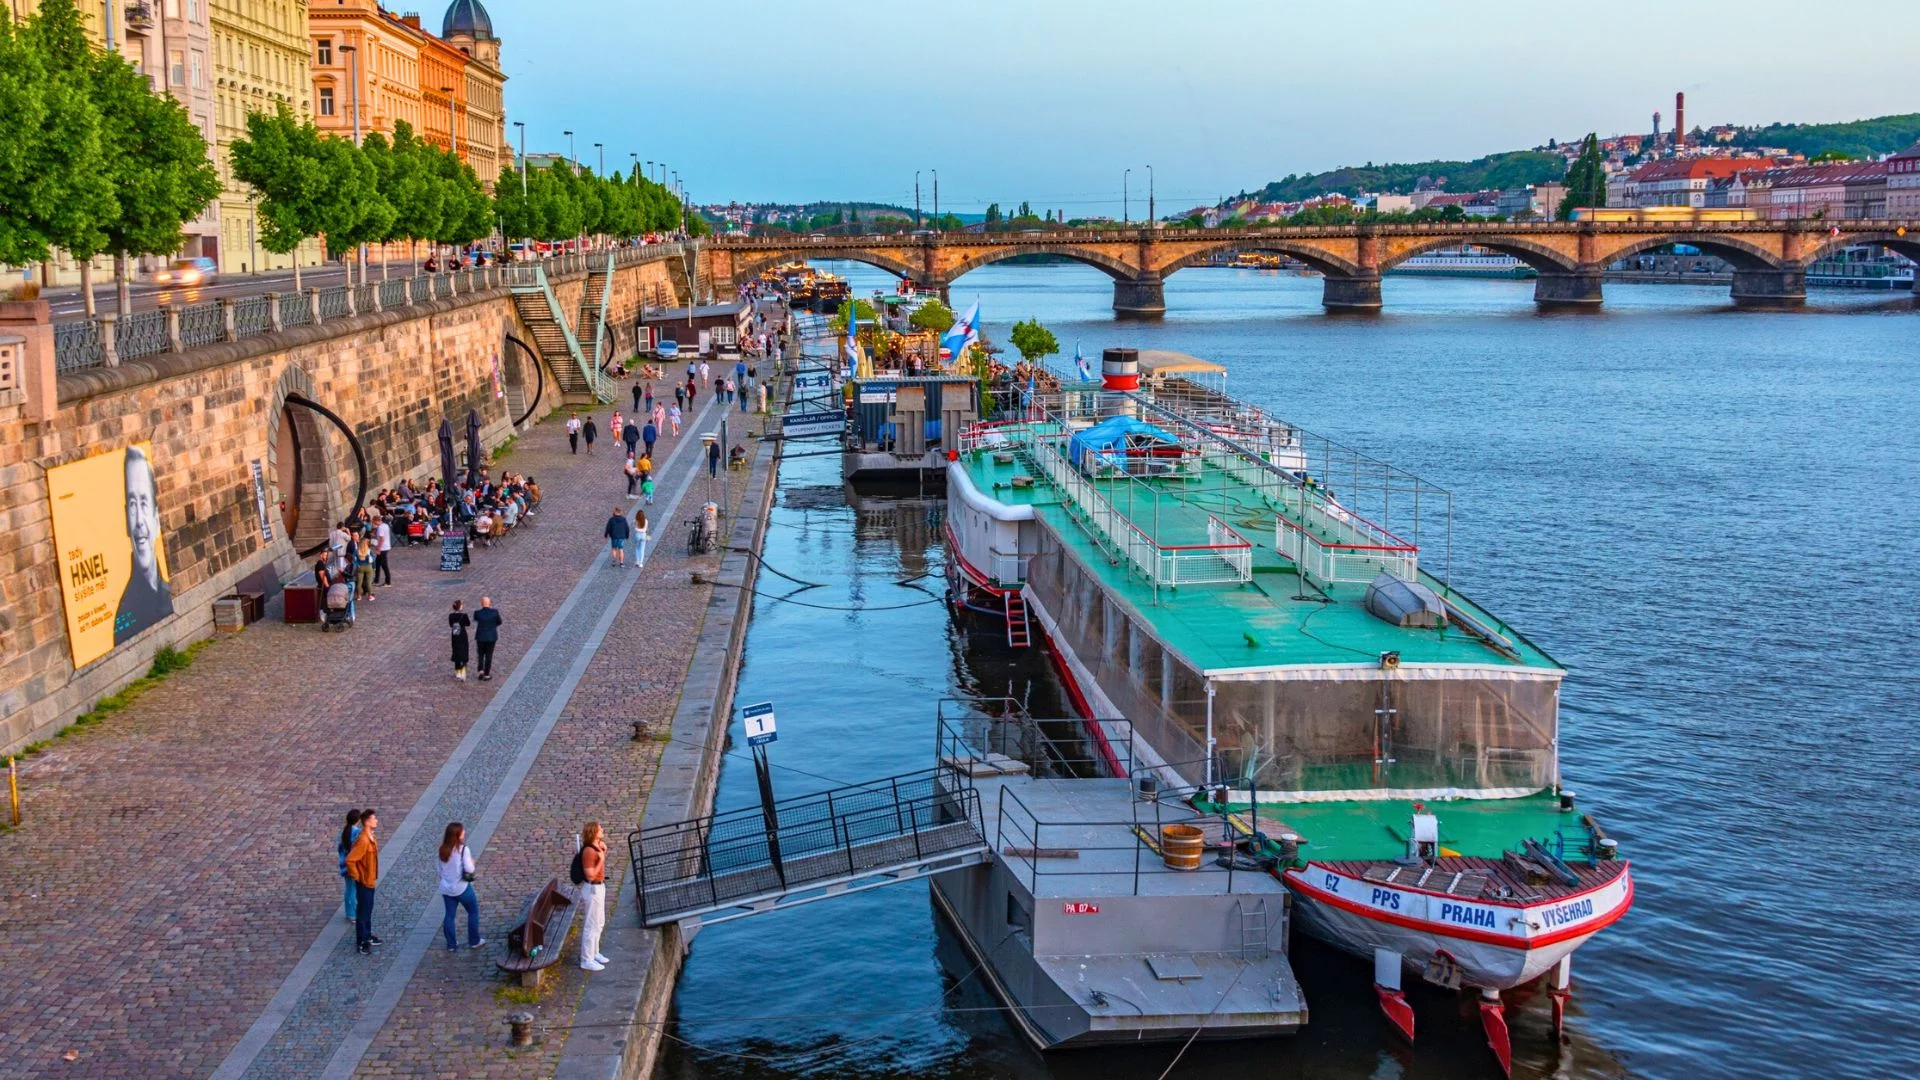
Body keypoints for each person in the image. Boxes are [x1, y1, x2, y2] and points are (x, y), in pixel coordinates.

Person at [114, 446, 175, 644]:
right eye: (133, 505)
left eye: (144, 503)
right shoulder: (126, 611)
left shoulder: (165, 589)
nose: (139, 520)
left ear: (156, 518)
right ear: (125, 520)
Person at [437, 822, 485, 952]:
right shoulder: (463, 849)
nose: (464, 832)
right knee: (473, 912)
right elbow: (469, 868)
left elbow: (439, 870)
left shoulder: (442, 849)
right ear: (458, 835)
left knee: (449, 916)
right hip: (462, 887)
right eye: (462, 831)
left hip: (446, 888)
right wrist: (473, 863)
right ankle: (474, 941)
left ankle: (451, 945)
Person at [346, 809, 383, 954]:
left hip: (370, 880)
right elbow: (351, 860)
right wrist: (357, 876)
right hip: (364, 881)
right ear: (367, 821)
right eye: (374, 818)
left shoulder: (371, 837)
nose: (377, 820)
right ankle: (361, 941)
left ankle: (367, 935)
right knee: (363, 912)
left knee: (368, 909)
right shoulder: (363, 840)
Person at [576, 822, 609, 971]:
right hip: (592, 889)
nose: (602, 829)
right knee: (591, 925)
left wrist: (603, 853)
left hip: (599, 887)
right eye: (600, 828)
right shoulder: (589, 851)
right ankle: (586, 959)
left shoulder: (597, 847)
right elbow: (590, 875)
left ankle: (594, 952)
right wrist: (601, 859)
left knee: (599, 922)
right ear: (593, 832)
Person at [338, 810, 363, 924]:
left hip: (344, 864)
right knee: (354, 890)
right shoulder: (357, 832)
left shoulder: (344, 832)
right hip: (354, 865)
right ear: (358, 820)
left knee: (349, 889)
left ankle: (349, 912)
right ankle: (353, 914)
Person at [474, 596, 501, 681]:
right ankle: (487, 674)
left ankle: (481, 670)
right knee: (489, 655)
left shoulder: (477, 613)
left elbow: (476, 619)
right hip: (491, 637)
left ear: (481, 604)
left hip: (480, 636)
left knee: (481, 654)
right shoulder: (495, 612)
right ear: (490, 603)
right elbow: (499, 622)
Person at [449, 599, 471, 681]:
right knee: (464, 652)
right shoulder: (464, 615)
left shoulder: (451, 616)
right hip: (462, 635)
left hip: (454, 635)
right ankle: (463, 672)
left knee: (456, 651)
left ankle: (457, 672)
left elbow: (451, 624)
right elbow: (468, 623)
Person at [354, 536, 377, 602]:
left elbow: (353, 559)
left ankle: (359, 596)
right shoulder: (369, 550)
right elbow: (373, 560)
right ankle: (370, 596)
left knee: (359, 582)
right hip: (368, 567)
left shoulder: (357, 550)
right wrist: (374, 567)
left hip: (360, 567)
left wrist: (357, 564)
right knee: (369, 582)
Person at [373, 515, 394, 586]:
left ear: (377, 521)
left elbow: (382, 539)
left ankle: (388, 582)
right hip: (386, 547)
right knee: (377, 564)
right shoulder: (385, 525)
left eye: (374, 522)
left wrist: (378, 548)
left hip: (383, 548)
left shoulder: (381, 528)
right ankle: (376, 580)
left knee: (384, 565)